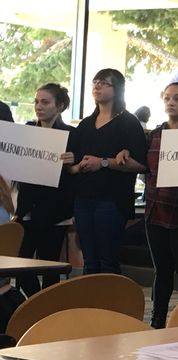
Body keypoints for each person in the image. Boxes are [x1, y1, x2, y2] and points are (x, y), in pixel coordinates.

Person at [70, 69, 148, 274]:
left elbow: (141, 164)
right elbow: (73, 163)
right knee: (89, 261)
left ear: (117, 89)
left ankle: (109, 296)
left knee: (108, 261)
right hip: (83, 198)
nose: (97, 86)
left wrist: (104, 162)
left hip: (112, 199)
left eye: (104, 83)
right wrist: (78, 166)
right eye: (95, 82)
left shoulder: (129, 122)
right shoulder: (86, 124)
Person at [143, 82, 178, 327]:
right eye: (167, 98)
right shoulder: (154, 135)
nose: (171, 102)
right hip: (155, 210)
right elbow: (145, 168)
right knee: (162, 270)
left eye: (177, 98)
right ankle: (157, 320)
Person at [14, 84, 76, 295]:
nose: (39, 107)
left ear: (59, 106)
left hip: (56, 209)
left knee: (50, 263)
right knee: (20, 262)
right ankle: (34, 301)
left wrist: (73, 161)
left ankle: (46, 305)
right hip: (28, 207)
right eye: (36, 102)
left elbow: (76, 172)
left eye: (45, 102)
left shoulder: (71, 134)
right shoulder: (27, 130)